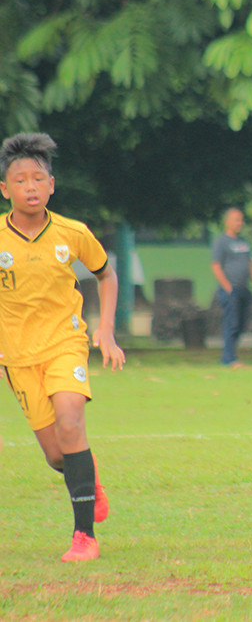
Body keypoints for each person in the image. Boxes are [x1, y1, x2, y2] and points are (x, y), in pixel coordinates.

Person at [0, 132, 126, 562]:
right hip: (16, 356)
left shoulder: (73, 233)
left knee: (71, 421)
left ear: (52, 185)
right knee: (58, 455)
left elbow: (106, 275)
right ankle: (89, 481)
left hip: (65, 343)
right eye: (20, 180)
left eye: (39, 178)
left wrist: (105, 331)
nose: (30, 187)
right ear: (5, 190)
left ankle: (84, 537)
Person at [211, 208, 252, 367]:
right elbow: (215, 266)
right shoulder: (221, 242)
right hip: (230, 289)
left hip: (244, 289)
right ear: (227, 221)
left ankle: (231, 355)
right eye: (236, 219)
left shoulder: (243, 242)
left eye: (241, 220)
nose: (239, 223)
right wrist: (227, 287)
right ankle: (229, 358)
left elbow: (251, 265)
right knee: (232, 323)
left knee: (241, 324)